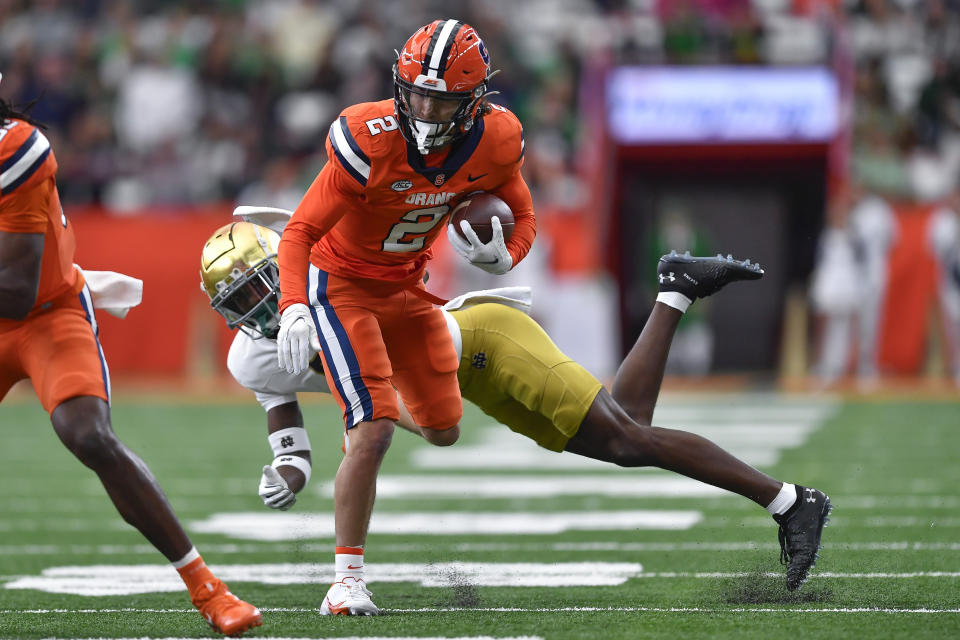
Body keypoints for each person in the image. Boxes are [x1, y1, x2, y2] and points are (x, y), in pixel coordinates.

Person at [202, 213, 832, 615]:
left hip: (484, 339)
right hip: (461, 384)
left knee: (627, 436)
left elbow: (375, 404)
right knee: (627, 435)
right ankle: (676, 288)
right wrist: (286, 472)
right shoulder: (250, 359)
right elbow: (285, 427)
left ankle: (790, 502)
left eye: (262, 284)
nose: (258, 307)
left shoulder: (328, 288)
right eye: (240, 300)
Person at [274, 20, 536, 615]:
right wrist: (293, 308)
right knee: (374, 429)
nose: (423, 107)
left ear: (473, 102)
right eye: (416, 91)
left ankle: (345, 383)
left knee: (444, 430)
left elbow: (523, 217)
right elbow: (299, 232)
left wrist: (505, 257)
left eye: (440, 99)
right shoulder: (368, 136)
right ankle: (346, 581)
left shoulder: (496, 140)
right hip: (339, 285)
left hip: (407, 289)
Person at [0, 86, 262, 636]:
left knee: (88, 434)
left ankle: (207, 588)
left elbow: (17, 289)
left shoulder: (16, 149)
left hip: (45, 312)